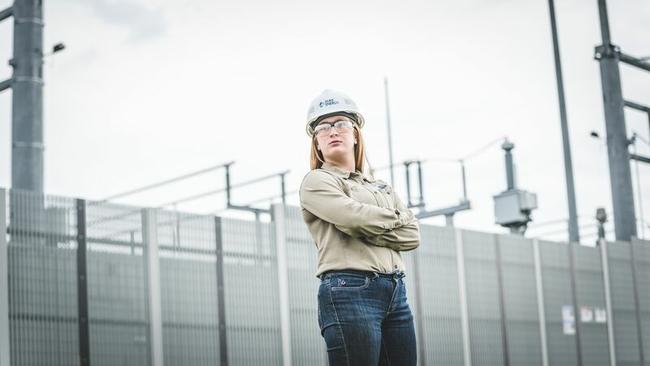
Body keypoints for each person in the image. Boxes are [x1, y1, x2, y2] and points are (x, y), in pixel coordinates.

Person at [299, 89, 420, 366]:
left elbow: (413, 235)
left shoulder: (379, 186)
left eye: (341, 123)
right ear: (316, 143)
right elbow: (353, 218)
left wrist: (369, 221)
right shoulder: (317, 181)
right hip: (349, 290)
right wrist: (396, 217)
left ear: (356, 134)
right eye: (323, 127)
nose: (333, 131)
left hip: (396, 292)